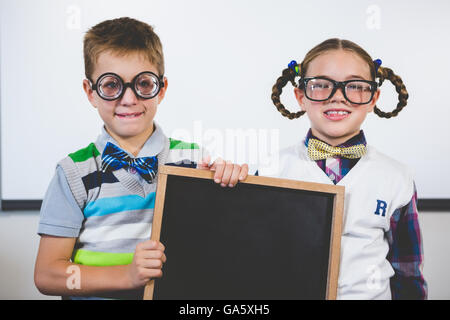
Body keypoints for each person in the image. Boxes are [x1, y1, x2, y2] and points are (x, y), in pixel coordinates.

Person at [34, 17, 248, 300]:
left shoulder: (194, 159)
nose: (129, 98)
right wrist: (127, 275)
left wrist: (229, 185)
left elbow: (221, 246)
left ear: (162, 88)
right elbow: (48, 275)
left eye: (143, 83)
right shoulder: (73, 172)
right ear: (90, 92)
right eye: (111, 85)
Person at [259, 38, 427, 299]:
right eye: (321, 85)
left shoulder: (397, 178)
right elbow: (254, 260)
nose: (338, 97)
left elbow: (408, 274)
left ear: (373, 99)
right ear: (300, 96)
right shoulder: (270, 171)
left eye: (355, 86)